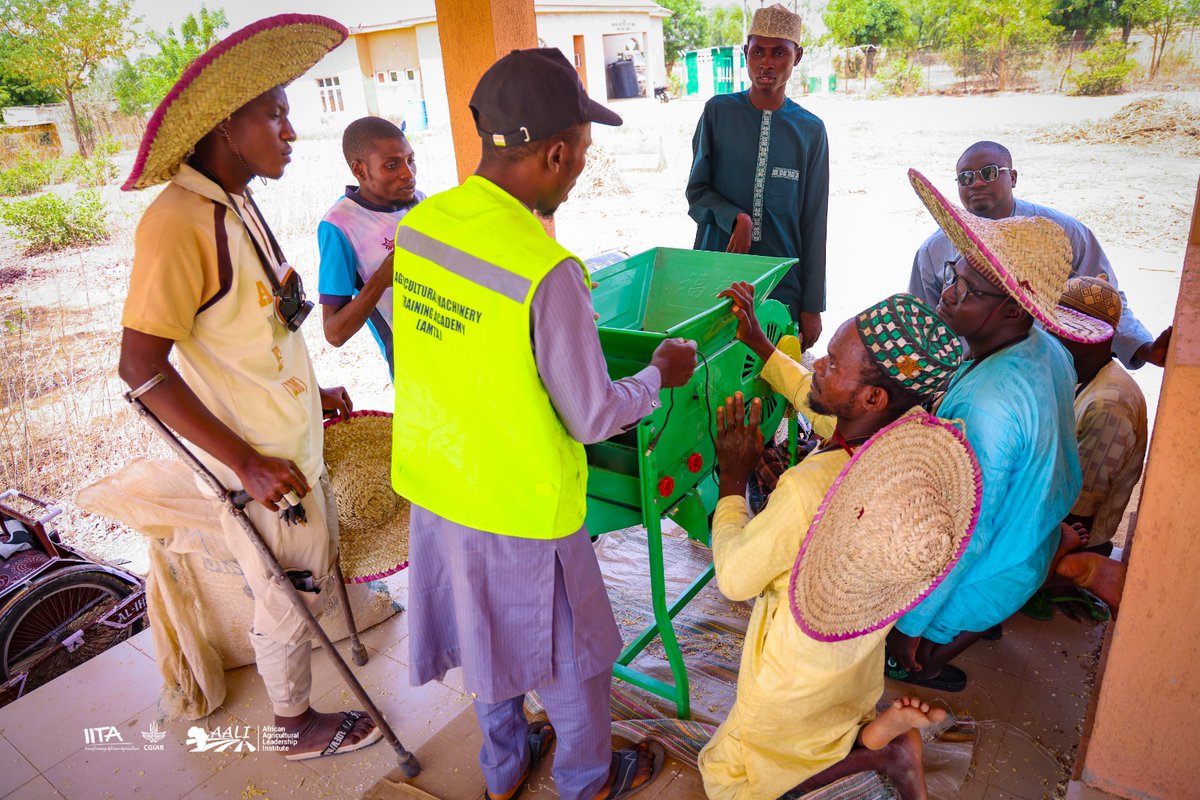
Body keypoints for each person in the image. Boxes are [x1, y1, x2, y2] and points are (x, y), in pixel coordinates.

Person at [390, 49, 696, 800]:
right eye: (584, 151)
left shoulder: (423, 225)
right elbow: (591, 414)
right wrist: (660, 374)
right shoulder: (546, 271)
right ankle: (586, 780)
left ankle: (502, 770)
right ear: (556, 151)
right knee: (573, 661)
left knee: (487, 640)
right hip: (520, 502)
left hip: (439, 485)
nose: (583, 164)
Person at [117, 15, 382, 760]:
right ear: (225, 126)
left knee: (305, 577)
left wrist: (314, 387)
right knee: (286, 592)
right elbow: (140, 370)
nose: (291, 131)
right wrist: (245, 462)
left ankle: (300, 701)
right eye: (275, 114)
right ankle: (294, 725)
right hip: (261, 463)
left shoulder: (234, 203)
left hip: (287, 436)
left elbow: (264, 325)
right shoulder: (177, 221)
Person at [699, 284, 969, 800]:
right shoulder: (905, 444)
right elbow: (821, 402)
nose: (818, 363)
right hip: (856, 658)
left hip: (792, 672)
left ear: (872, 397)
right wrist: (762, 347)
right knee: (827, 730)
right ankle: (875, 743)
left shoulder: (807, 489)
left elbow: (735, 578)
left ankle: (878, 755)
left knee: (734, 779)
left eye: (833, 364)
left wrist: (733, 481)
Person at [887, 169, 1115, 691]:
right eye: (951, 275)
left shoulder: (986, 407)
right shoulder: (1047, 350)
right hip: (1031, 540)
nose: (945, 294)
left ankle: (928, 656)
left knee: (899, 636)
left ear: (1013, 309)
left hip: (991, 566)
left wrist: (910, 626)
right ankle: (961, 629)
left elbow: (966, 536)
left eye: (964, 291)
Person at [908, 140, 1171, 369]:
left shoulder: (1061, 233)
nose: (976, 182)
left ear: (1012, 177)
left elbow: (1102, 298)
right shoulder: (934, 250)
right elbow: (923, 325)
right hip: (972, 372)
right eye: (965, 177)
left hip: (1053, 370)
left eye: (988, 172)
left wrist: (1142, 347)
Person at [686, 3, 829, 351]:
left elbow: (814, 221)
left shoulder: (811, 131)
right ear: (744, 54)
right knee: (714, 382)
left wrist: (812, 305)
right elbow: (697, 192)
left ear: (797, 57)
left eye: (779, 52)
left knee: (771, 385)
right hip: (719, 273)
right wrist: (736, 218)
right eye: (758, 51)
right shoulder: (718, 112)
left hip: (781, 283)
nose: (767, 62)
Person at [1023, 275, 1148, 621]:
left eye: (1056, 330)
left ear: (1088, 339)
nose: (1046, 336)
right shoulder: (1084, 374)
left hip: (1075, 534)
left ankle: (1061, 578)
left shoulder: (1110, 405)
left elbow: (1078, 513)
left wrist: (1051, 559)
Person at [318, 116, 424, 376]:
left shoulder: (420, 202)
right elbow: (334, 333)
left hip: (458, 346)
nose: (407, 174)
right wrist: (380, 281)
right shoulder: (340, 225)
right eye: (391, 165)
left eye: (411, 160)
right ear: (360, 170)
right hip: (414, 369)